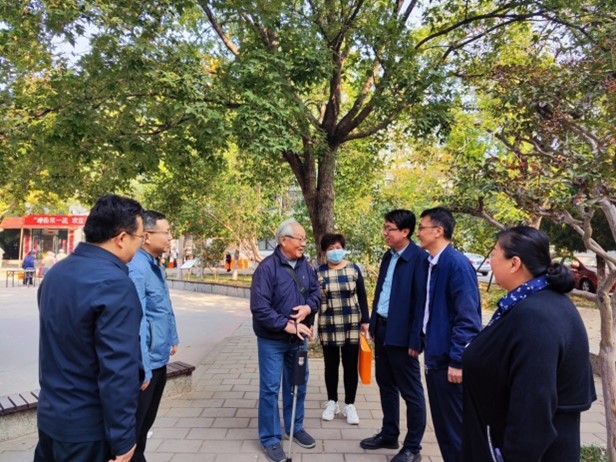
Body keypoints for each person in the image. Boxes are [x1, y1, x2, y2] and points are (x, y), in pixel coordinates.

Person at [462, 226, 596, 462]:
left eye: (494, 253)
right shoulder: (538, 301)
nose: (490, 260)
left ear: (514, 263)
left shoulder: (535, 316)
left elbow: (533, 406)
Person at [34, 194, 145, 462]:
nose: (140, 245)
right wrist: (124, 439)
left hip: (51, 418)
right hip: (89, 430)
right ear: (121, 238)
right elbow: (118, 369)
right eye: (140, 238)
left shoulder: (57, 273)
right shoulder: (114, 284)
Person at [360, 209, 428, 462]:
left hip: (404, 336)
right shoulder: (388, 256)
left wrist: (417, 339)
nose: (385, 233)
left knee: (411, 392)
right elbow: (381, 292)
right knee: (386, 385)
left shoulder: (419, 259)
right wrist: (373, 325)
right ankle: (389, 434)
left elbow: (421, 303)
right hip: (383, 329)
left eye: (390, 229)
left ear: (405, 231)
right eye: (385, 228)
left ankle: (413, 448)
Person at [250, 218, 320, 462]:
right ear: (283, 240)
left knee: (298, 384)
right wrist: (288, 325)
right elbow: (260, 308)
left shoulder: (305, 265)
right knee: (270, 389)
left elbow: (316, 293)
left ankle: (294, 427)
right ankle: (271, 438)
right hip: (272, 340)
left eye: (304, 239)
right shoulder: (266, 268)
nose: (303, 243)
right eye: (299, 239)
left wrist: (308, 308)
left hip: (298, 340)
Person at [416, 207, 482, 462]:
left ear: (438, 231)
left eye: (422, 228)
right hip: (435, 357)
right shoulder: (433, 264)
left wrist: (457, 360)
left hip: (449, 363)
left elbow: (468, 319)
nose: (418, 233)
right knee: (444, 428)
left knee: (455, 431)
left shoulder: (456, 265)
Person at [128, 211, 180, 462]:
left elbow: (163, 307)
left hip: (159, 358)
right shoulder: (137, 267)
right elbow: (137, 319)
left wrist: (173, 337)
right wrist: (144, 368)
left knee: (145, 424)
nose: (170, 237)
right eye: (166, 232)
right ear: (146, 236)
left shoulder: (153, 264)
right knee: (136, 428)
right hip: (147, 362)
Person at [316, 233, 369, 425]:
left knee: (350, 365)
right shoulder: (319, 272)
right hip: (328, 323)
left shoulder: (354, 269)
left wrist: (366, 320)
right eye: (330, 249)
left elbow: (362, 295)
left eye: (338, 247)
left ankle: (350, 405)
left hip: (351, 323)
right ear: (324, 252)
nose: (335, 251)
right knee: (330, 366)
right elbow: (314, 298)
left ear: (343, 248)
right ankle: (332, 402)